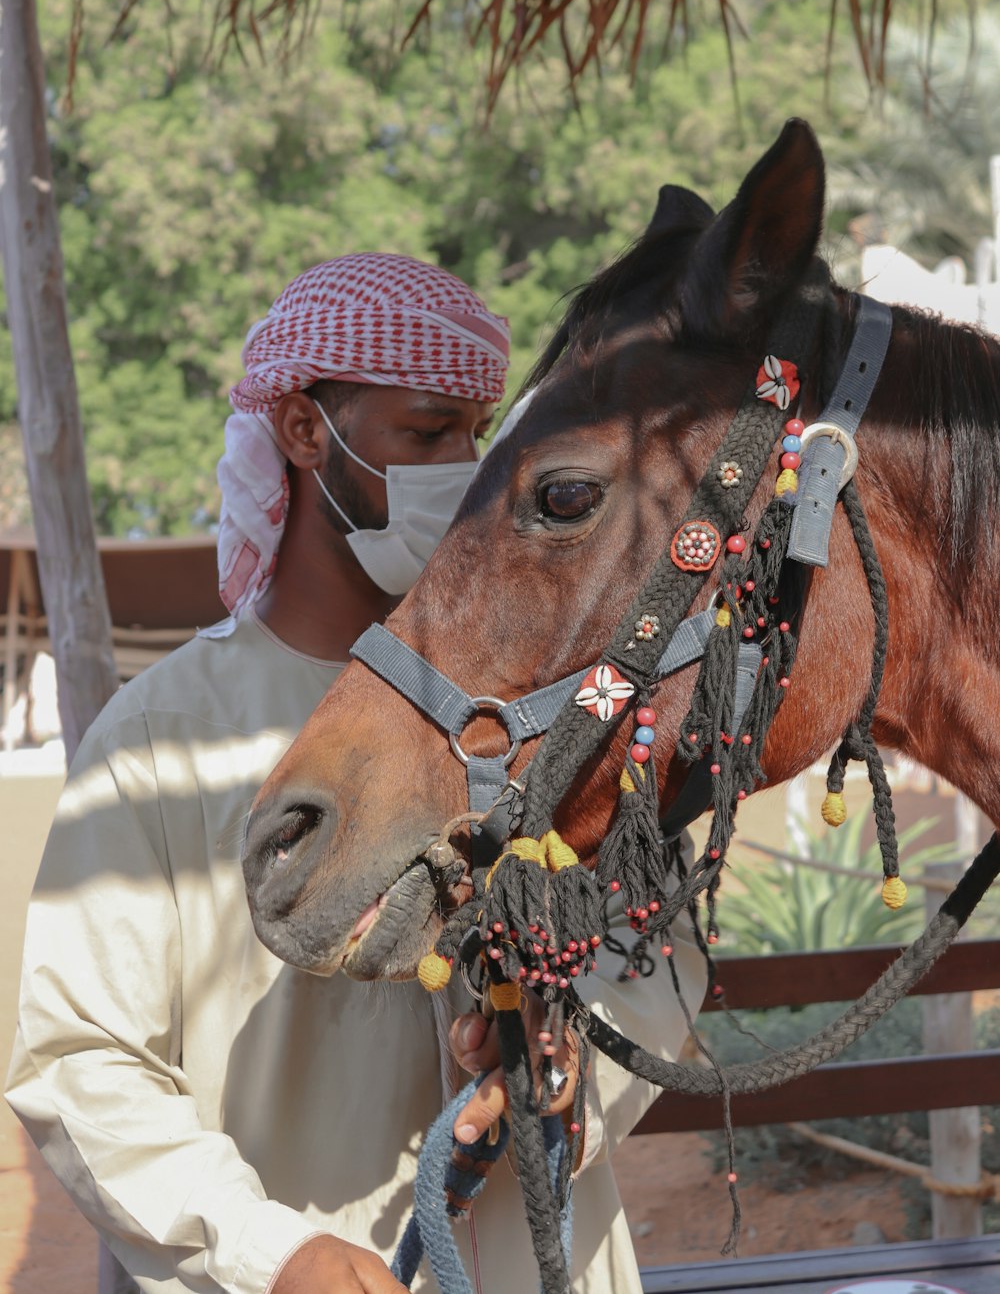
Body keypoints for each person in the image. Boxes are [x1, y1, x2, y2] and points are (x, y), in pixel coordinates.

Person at [6, 253, 707, 1294]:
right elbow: (79, 1058)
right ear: (301, 430)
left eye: (480, 434)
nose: (465, 465)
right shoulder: (160, 736)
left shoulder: (549, 695)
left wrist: (567, 1071)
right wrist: (265, 1252)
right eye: (428, 434)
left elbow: (660, 939)